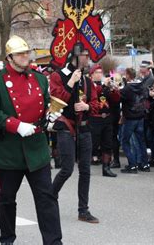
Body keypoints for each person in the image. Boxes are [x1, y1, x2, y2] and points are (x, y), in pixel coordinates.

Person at [0, 35, 62, 245]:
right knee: (7, 199)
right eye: (20, 54)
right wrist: (16, 125)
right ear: (10, 57)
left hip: (37, 147)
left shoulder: (40, 78)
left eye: (27, 52)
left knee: (47, 198)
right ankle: (7, 239)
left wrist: (49, 118)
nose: (26, 57)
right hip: (9, 150)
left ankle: (53, 242)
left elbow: (45, 104)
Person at [50, 43, 100, 224]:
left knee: (85, 170)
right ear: (75, 56)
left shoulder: (87, 80)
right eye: (85, 55)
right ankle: (49, 197)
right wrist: (70, 82)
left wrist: (87, 106)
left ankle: (83, 210)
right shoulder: (57, 76)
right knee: (67, 169)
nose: (88, 58)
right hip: (66, 127)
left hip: (84, 127)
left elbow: (95, 104)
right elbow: (56, 101)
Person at [88, 64, 118, 177]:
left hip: (107, 118)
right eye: (97, 72)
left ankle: (106, 168)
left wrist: (114, 90)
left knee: (107, 144)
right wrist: (104, 86)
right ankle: (86, 165)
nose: (100, 74)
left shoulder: (104, 85)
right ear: (92, 74)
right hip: (95, 119)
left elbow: (115, 99)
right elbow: (93, 94)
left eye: (101, 72)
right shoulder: (90, 85)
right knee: (93, 144)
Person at [120, 68, 149, 173]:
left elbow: (120, 98)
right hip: (140, 116)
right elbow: (146, 96)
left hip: (130, 118)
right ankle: (145, 164)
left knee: (125, 141)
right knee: (141, 141)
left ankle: (132, 165)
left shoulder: (127, 89)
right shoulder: (142, 86)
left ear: (127, 75)